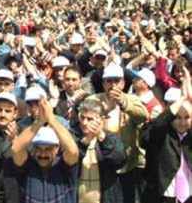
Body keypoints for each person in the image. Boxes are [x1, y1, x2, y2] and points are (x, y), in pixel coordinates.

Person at [87, 62, 148, 203]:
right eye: (109, 81)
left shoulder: (131, 99)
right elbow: (84, 120)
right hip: (101, 166)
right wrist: (104, 111)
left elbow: (143, 115)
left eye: (116, 80)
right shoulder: (93, 100)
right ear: (103, 83)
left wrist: (123, 103)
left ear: (123, 83)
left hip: (128, 165)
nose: (113, 85)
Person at [11, 97, 79, 203]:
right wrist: (40, 122)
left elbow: (73, 151)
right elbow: (16, 148)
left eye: (48, 148)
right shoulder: (28, 166)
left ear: (57, 148)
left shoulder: (65, 167)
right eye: (39, 148)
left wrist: (51, 119)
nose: (43, 154)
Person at [71, 98, 127, 203]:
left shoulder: (111, 137)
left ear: (100, 119)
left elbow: (120, 160)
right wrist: (85, 141)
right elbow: (69, 161)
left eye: (89, 119)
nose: (84, 122)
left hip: (105, 197)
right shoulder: (73, 135)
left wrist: (102, 137)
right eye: (82, 117)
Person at [141, 98, 192, 203]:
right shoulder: (161, 134)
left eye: (187, 118)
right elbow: (148, 135)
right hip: (164, 195)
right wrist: (173, 108)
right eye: (178, 117)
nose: (182, 123)